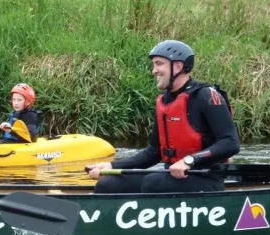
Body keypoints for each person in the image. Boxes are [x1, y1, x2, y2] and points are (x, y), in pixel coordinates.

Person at [87, 40, 240, 193]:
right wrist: (112, 166)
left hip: (206, 178)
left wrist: (190, 161)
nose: (154, 70)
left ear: (178, 66)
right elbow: (153, 152)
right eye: (154, 65)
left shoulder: (206, 96)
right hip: (172, 177)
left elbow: (230, 143)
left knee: (153, 182)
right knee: (109, 183)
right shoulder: (165, 101)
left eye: (159, 64)